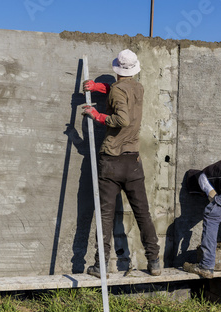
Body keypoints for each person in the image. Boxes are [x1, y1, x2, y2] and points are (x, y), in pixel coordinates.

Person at [82, 49, 161, 277]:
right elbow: (120, 91)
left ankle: (101, 265)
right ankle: (154, 261)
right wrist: (98, 88)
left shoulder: (118, 90)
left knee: (106, 214)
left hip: (112, 160)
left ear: (117, 68)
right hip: (133, 161)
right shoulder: (138, 87)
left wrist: (97, 116)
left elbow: (122, 117)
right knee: (142, 213)